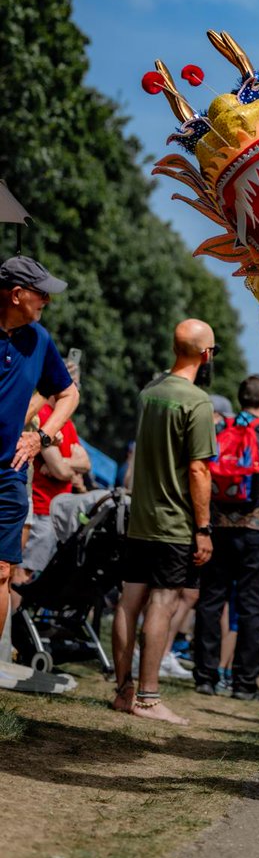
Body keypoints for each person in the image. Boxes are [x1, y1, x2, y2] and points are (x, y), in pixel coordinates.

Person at [111, 319, 217, 724]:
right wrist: (203, 528)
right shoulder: (197, 402)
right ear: (206, 354)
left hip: (140, 515)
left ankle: (124, 691)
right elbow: (198, 471)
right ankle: (150, 698)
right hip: (174, 521)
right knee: (162, 601)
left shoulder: (150, 393)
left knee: (129, 600)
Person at [193, 373, 259, 702]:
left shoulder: (220, 428)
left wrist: (202, 524)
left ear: (241, 398)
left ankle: (205, 678)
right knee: (251, 608)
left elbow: (203, 473)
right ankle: (244, 684)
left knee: (211, 602)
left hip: (219, 527)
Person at [0, 256, 79, 644]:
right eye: (41, 294)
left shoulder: (39, 339)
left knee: (1, 572)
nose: (47, 301)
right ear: (17, 295)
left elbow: (67, 393)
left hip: (8, 474)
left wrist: (40, 437)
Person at [17, 387, 91, 583]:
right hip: (41, 506)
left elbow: (86, 464)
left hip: (50, 511)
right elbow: (61, 471)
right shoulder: (43, 414)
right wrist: (66, 468)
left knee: (25, 572)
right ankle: (14, 614)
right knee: (20, 571)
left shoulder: (67, 423)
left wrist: (64, 465)